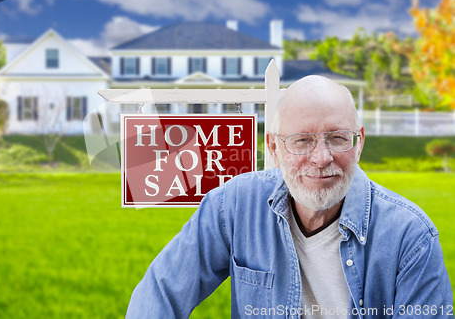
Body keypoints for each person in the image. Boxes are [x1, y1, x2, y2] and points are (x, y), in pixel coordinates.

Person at [126, 75, 453, 318]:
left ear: (360, 142)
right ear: (273, 147)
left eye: (338, 138)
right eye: (302, 140)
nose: (322, 157)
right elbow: (160, 293)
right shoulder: (233, 207)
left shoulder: (412, 238)